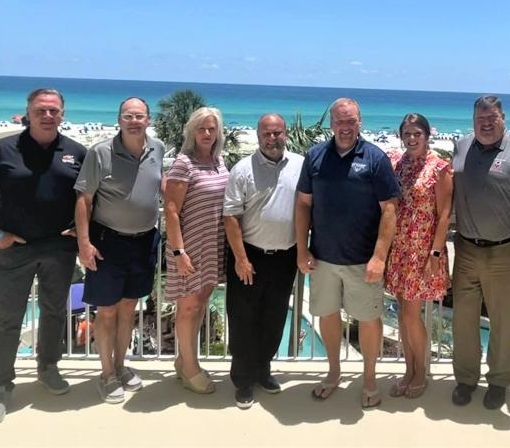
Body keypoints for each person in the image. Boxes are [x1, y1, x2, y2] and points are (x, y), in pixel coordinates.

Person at [0, 88, 86, 426]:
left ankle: (48, 368)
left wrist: (81, 231)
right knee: (6, 320)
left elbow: (91, 197)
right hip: (15, 250)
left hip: (59, 248)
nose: (48, 115)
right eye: (41, 109)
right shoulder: (2, 150)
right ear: (28, 112)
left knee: (55, 311)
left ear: (62, 114)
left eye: (54, 110)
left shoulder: (76, 152)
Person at [295, 98, 400, 408]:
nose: (345, 126)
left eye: (350, 121)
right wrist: (302, 249)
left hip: (363, 261)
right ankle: (333, 373)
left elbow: (390, 210)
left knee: (369, 319)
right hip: (323, 258)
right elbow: (303, 204)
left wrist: (379, 257)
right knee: (327, 316)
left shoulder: (375, 158)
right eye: (339, 121)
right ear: (331, 123)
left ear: (359, 122)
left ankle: (369, 379)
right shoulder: (315, 156)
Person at [451, 95, 510, 410]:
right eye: (480, 118)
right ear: (473, 119)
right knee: (463, 321)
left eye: (492, 117)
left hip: (506, 251)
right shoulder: (461, 146)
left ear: (503, 117)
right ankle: (466, 379)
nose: (486, 123)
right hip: (465, 249)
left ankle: (499, 381)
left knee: (503, 322)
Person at [75, 97, 165, 404]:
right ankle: (106, 374)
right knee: (107, 311)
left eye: (140, 116)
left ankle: (121, 365)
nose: (134, 121)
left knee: (129, 308)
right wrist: (84, 243)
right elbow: (84, 201)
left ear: (148, 120)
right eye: (128, 116)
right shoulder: (100, 152)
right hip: (107, 243)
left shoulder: (158, 149)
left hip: (144, 242)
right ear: (119, 120)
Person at [224, 113, 304, 409]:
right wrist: (241, 259)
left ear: (285, 134)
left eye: (278, 133)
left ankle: (263, 371)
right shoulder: (242, 169)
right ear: (259, 136)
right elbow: (230, 217)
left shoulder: (300, 165)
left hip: (285, 257)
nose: (273, 139)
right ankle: (243, 380)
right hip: (250, 256)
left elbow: (307, 206)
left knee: (274, 317)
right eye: (267, 134)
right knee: (243, 319)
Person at [385, 113, 453, 400]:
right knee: (402, 313)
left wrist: (435, 252)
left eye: (417, 134)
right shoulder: (398, 164)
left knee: (412, 314)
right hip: (400, 248)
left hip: (423, 249)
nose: (412, 139)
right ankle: (408, 369)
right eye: (407, 134)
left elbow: (444, 214)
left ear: (427, 136)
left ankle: (420, 373)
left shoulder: (439, 168)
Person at [163, 107, 229, 394]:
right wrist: (179, 252)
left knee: (200, 302)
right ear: (191, 131)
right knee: (188, 306)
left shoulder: (218, 161)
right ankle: (190, 368)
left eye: (211, 129)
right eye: (201, 128)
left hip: (212, 243)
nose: (206, 133)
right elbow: (171, 209)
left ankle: (184, 360)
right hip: (188, 246)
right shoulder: (183, 163)